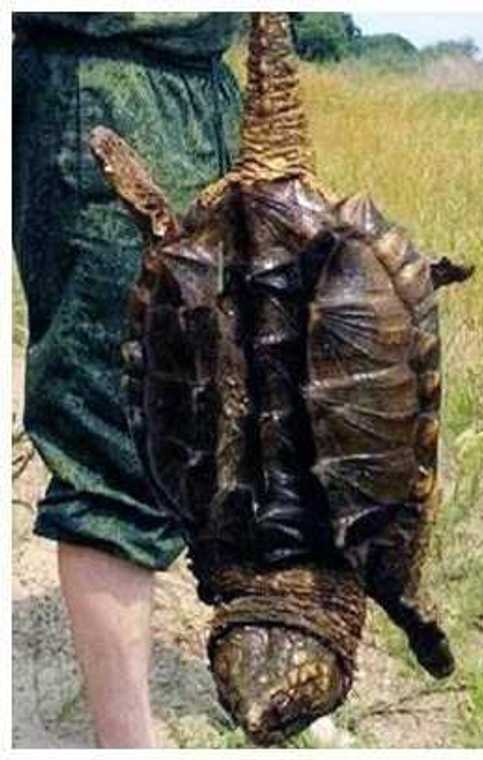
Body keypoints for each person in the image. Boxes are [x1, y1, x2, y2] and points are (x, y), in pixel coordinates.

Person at [12, 13, 244, 747]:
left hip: (209, 82)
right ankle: (128, 740)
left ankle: (248, 671)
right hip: (105, 71)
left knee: (228, 407)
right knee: (114, 427)